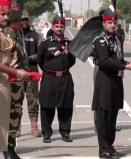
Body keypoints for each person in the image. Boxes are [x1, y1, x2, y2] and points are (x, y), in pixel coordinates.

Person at [92, 7, 131, 158]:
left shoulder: (117, 39)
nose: (112, 25)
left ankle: (110, 146)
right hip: (105, 79)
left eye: (114, 22)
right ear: (104, 23)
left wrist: (126, 64)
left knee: (113, 114)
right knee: (103, 114)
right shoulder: (100, 41)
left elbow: (118, 59)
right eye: (109, 22)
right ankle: (103, 148)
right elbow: (105, 62)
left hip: (116, 80)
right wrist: (124, 66)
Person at [37, 15, 75, 143]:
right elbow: (40, 60)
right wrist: (50, 70)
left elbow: (72, 61)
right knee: (47, 106)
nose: (59, 28)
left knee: (66, 106)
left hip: (65, 78)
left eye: (61, 26)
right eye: (57, 26)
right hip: (49, 78)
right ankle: (47, 133)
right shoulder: (45, 43)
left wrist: (68, 53)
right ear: (53, 27)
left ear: (64, 27)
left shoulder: (68, 43)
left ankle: (65, 133)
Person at [0, 0, 28, 158]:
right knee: (9, 117)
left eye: (7, 14)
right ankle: (8, 150)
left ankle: (9, 149)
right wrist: (16, 73)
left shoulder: (8, 34)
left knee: (12, 116)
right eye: (3, 14)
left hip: (10, 82)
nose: (6, 18)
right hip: (9, 81)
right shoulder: (8, 34)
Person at [16, 15, 41, 137]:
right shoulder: (16, 35)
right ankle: (16, 127)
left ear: (29, 21)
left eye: (26, 20)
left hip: (32, 71)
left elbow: (41, 52)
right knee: (17, 101)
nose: (24, 22)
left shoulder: (35, 35)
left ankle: (34, 125)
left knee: (33, 100)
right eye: (22, 20)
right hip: (18, 72)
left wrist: (31, 57)